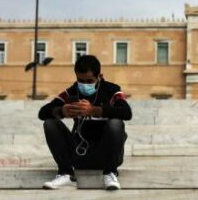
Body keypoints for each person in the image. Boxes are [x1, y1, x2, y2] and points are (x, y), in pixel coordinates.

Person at [38, 55, 132, 191]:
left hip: (106, 154)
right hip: (78, 153)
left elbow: (126, 112)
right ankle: (66, 173)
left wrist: (94, 110)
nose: (84, 84)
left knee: (116, 123)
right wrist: (61, 111)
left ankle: (110, 173)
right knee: (50, 123)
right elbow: (43, 112)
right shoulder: (71, 92)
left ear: (99, 76)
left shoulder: (111, 90)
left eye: (89, 81)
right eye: (80, 80)